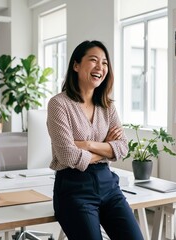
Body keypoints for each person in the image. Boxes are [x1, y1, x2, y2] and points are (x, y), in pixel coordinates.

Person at [47, 40, 144, 240]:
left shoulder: (107, 106)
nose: (100, 67)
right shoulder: (59, 104)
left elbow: (123, 147)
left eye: (105, 62)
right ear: (76, 65)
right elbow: (67, 156)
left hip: (108, 186)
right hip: (74, 190)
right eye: (93, 60)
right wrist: (106, 148)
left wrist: (88, 145)